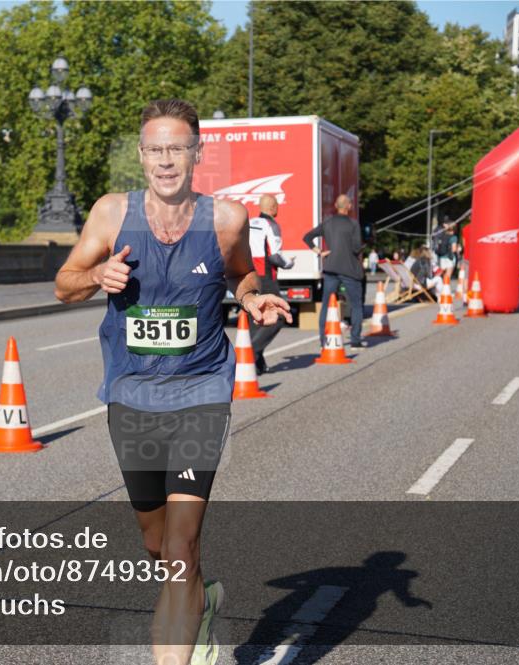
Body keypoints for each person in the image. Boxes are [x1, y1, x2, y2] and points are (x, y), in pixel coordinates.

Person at [54, 99, 290, 665]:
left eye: (177, 149)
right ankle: (201, 603)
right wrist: (95, 275)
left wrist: (253, 297)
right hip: (131, 396)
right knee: (156, 544)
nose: (166, 161)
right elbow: (63, 283)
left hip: (201, 393)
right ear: (141, 155)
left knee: (181, 547)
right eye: (155, 149)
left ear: (197, 153)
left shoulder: (226, 218)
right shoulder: (112, 213)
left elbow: (241, 272)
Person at [304, 194, 366, 350]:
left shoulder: (328, 223)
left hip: (330, 268)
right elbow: (356, 248)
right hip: (350, 269)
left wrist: (320, 252)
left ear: (336, 205)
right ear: (349, 206)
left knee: (326, 304)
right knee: (356, 304)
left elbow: (307, 237)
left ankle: (323, 340)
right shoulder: (353, 224)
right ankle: (355, 340)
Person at [248, 194, 294, 374]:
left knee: (256, 317)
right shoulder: (271, 225)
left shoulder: (249, 222)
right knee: (279, 315)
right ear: (273, 207)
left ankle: (257, 365)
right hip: (265, 275)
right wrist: (289, 263)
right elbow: (275, 256)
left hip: (248, 275)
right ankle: (251, 353)